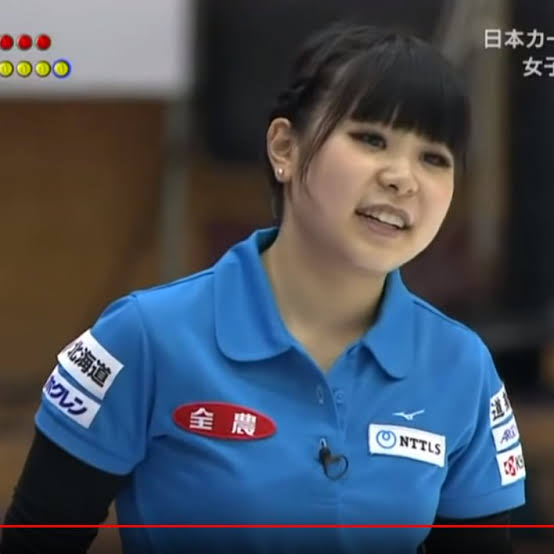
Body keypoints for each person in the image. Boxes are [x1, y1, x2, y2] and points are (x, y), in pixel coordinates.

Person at [1, 22, 524, 554]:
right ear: (285, 147)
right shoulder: (142, 338)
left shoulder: (463, 367)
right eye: (371, 138)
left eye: (434, 158)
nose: (402, 179)